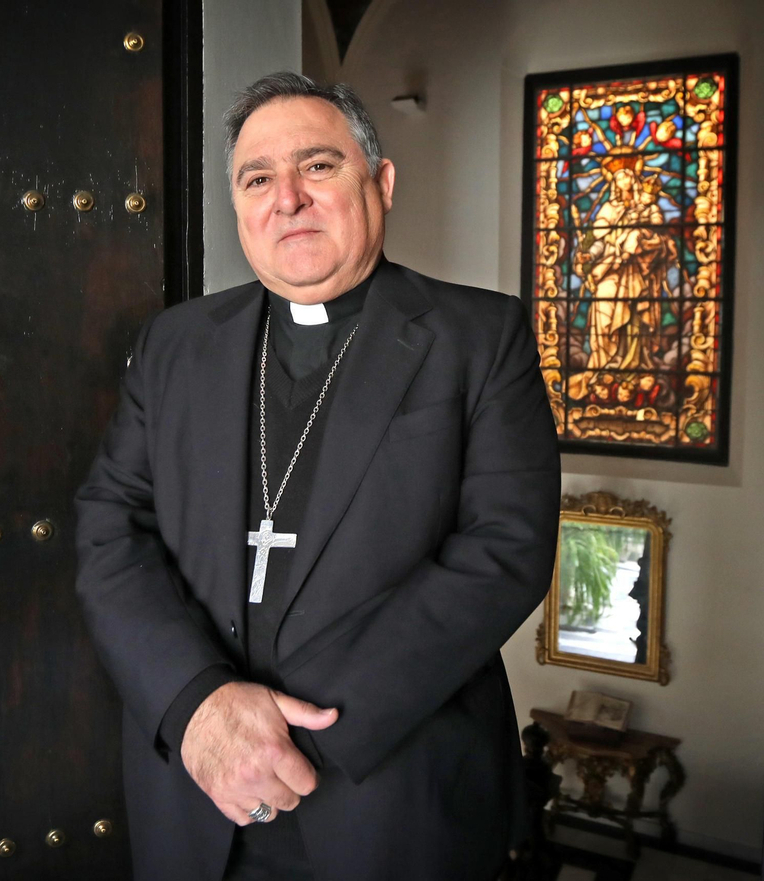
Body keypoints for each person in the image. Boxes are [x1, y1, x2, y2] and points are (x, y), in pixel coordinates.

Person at [73, 71, 562, 881]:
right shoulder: (174, 345)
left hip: (394, 795)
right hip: (198, 797)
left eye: (319, 166)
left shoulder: (479, 336)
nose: (287, 198)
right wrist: (198, 704)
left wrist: (294, 732)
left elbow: (502, 552)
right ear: (238, 206)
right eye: (257, 178)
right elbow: (109, 526)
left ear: (382, 181)